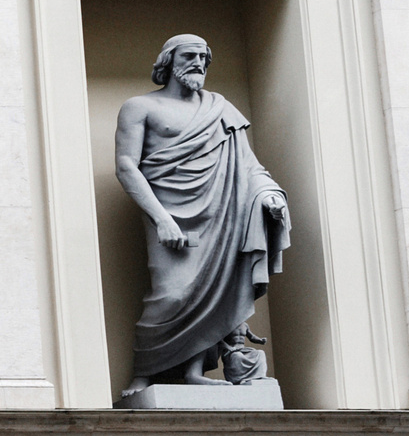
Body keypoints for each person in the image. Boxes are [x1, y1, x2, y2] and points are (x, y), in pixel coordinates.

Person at [113, 34, 289, 395]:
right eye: (189, 55)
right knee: (173, 293)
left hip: (221, 212)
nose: (198, 63)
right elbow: (127, 166)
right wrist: (161, 218)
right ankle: (145, 374)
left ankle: (195, 371)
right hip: (168, 211)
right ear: (169, 60)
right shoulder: (140, 107)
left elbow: (248, 166)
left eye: (204, 57)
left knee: (215, 290)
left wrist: (270, 195)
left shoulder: (220, 109)